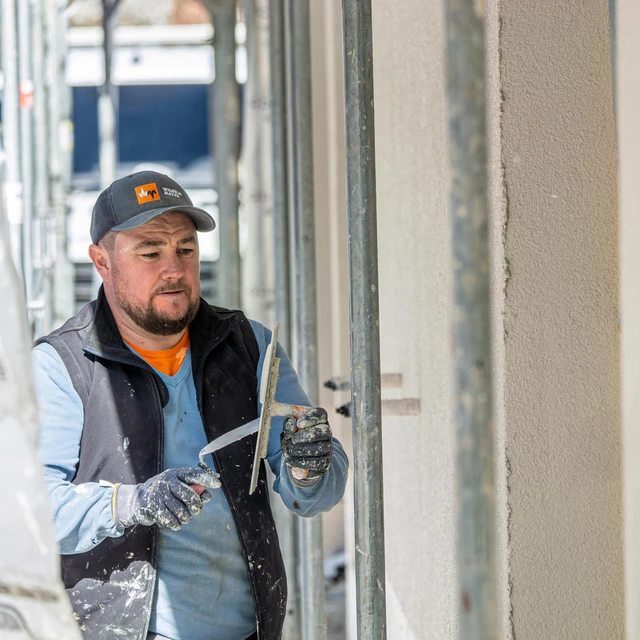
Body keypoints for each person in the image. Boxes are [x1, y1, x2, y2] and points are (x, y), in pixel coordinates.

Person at [32, 170, 349, 640]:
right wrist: (131, 503)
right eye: (150, 252)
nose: (174, 270)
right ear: (102, 261)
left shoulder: (249, 346)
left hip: (248, 630)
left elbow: (315, 495)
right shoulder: (62, 366)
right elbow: (32, 511)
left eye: (185, 249)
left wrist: (310, 467)